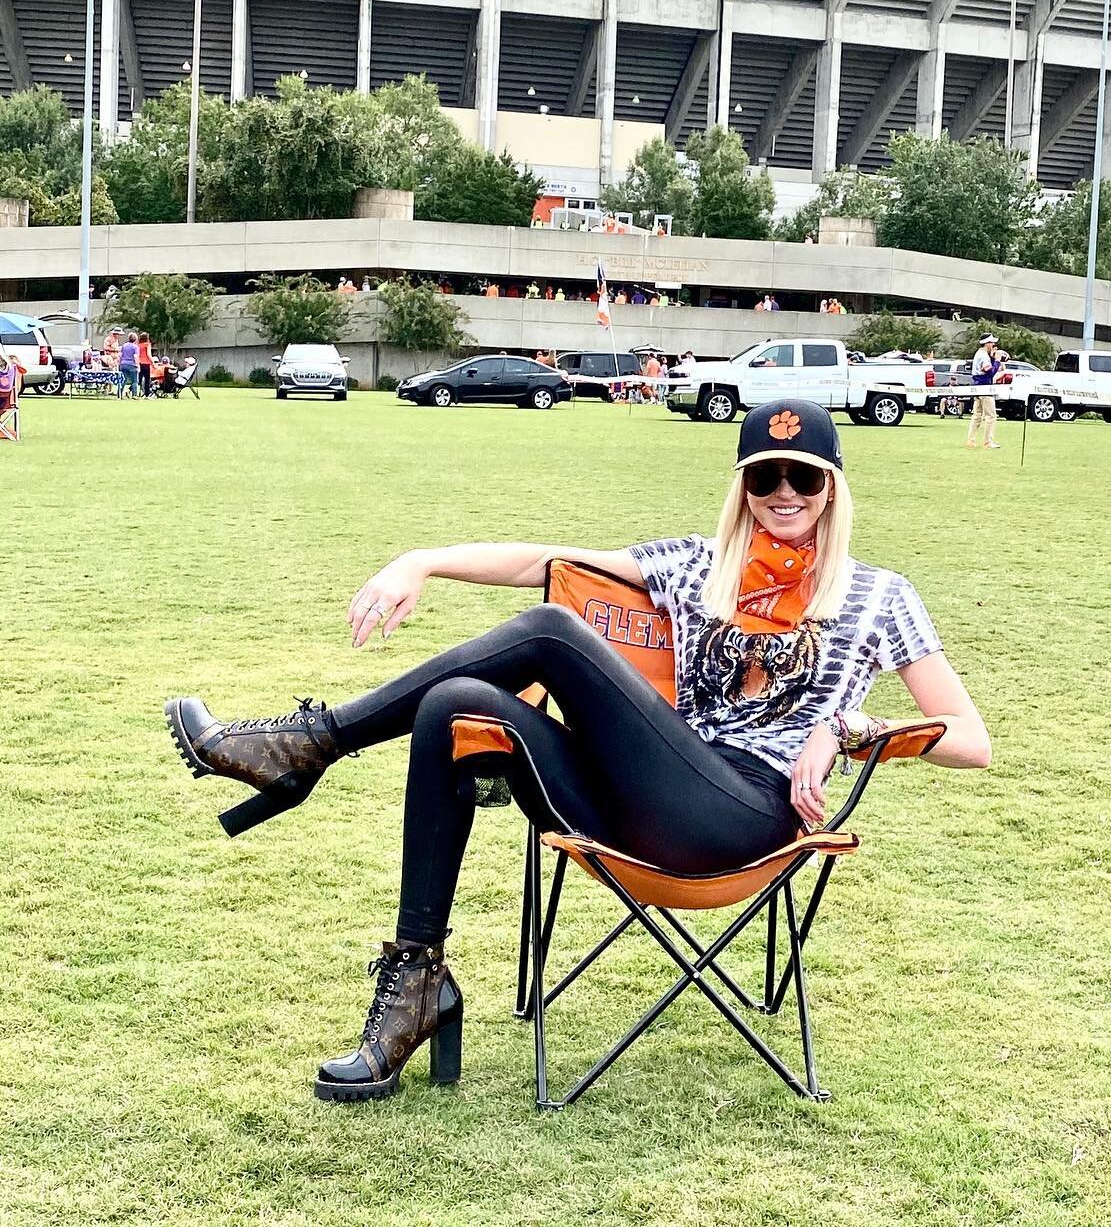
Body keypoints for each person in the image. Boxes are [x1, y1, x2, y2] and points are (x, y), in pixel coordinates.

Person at [164, 400, 991, 1104]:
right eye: (764, 476)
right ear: (741, 487)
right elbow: (541, 563)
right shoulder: (699, 568)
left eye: (804, 477)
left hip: (744, 815)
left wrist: (844, 726)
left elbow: (970, 739)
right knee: (455, 706)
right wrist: (422, 560)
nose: (784, 493)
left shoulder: (880, 594)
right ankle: (417, 981)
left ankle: (308, 745)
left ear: (833, 488)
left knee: (558, 633)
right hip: (639, 801)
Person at [967, 334, 1002, 450]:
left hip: (977, 387)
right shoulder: (983, 355)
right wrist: (997, 361)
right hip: (985, 387)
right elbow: (989, 372)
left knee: (977, 415)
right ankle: (988, 442)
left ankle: (971, 440)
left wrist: (992, 358)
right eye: (992, 343)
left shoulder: (979, 354)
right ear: (987, 343)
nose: (993, 345)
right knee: (991, 416)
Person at [117, 333, 141, 399]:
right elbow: (135, 356)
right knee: (134, 381)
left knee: (123, 380)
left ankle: (119, 394)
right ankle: (134, 395)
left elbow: (120, 355)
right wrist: (137, 365)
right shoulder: (135, 347)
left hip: (123, 364)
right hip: (132, 365)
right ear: (135, 339)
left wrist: (119, 363)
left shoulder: (124, 346)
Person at [137, 333, 154, 399]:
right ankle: (147, 394)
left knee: (139, 378)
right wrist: (152, 362)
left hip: (140, 363)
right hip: (146, 363)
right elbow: (148, 354)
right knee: (147, 379)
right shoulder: (147, 344)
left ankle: (131, 390)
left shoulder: (138, 345)